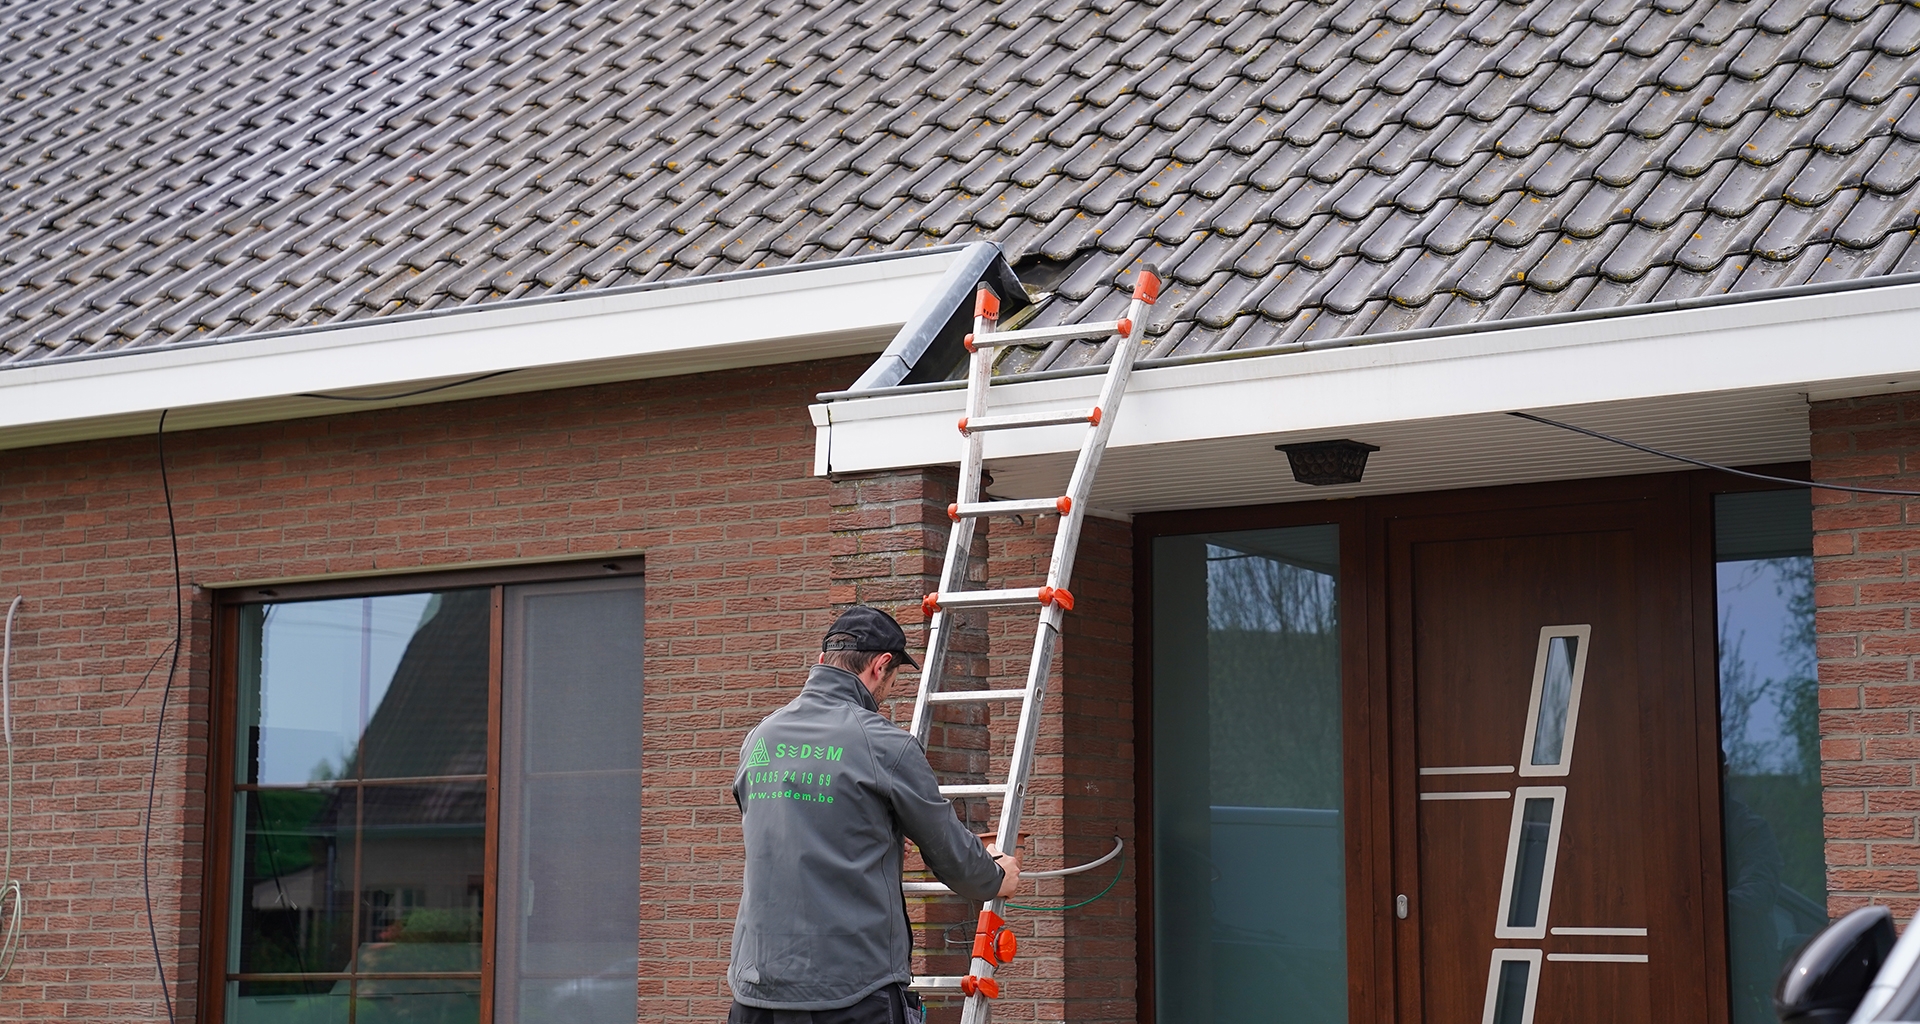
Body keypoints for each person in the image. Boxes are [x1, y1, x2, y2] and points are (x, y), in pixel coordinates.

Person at [727, 606, 1021, 1024]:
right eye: (894, 678)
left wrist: (870, 827)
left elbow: (784, 822)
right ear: (881, 665)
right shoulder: (884, 744)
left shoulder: (761, 736)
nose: (889, 689)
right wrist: (995, 876)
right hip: (851, 991)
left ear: (826, 658)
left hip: (758, 990)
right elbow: (950, 854)